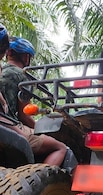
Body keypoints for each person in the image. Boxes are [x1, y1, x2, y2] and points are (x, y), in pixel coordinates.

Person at [0, 36, 67, 166]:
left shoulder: (2, 70)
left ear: (8, 53)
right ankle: (38, 177)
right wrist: (41, 130)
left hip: (5, 123)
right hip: (9, 125)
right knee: (60, 148)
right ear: (26, 57)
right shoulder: (23, 76)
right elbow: (24, 115)